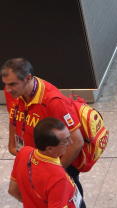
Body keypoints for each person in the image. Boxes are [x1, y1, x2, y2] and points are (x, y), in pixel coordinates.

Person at [2, 59, 85, 202]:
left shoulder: (54, 101)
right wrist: (12, 144)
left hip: (57, 163)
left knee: (68, 199)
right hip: (33, 160)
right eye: (5, 84)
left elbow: (76, 142)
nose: (7, 89)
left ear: (28, 78)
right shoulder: (12, 93)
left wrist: (56, 171)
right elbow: (14, 117)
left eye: (12, 84)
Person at [8, 118, 82, 208]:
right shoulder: (58, 178)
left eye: (69, 137)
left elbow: (13, 190)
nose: (71, 142)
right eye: (65, 141)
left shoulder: (24, 152)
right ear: (50, 148)